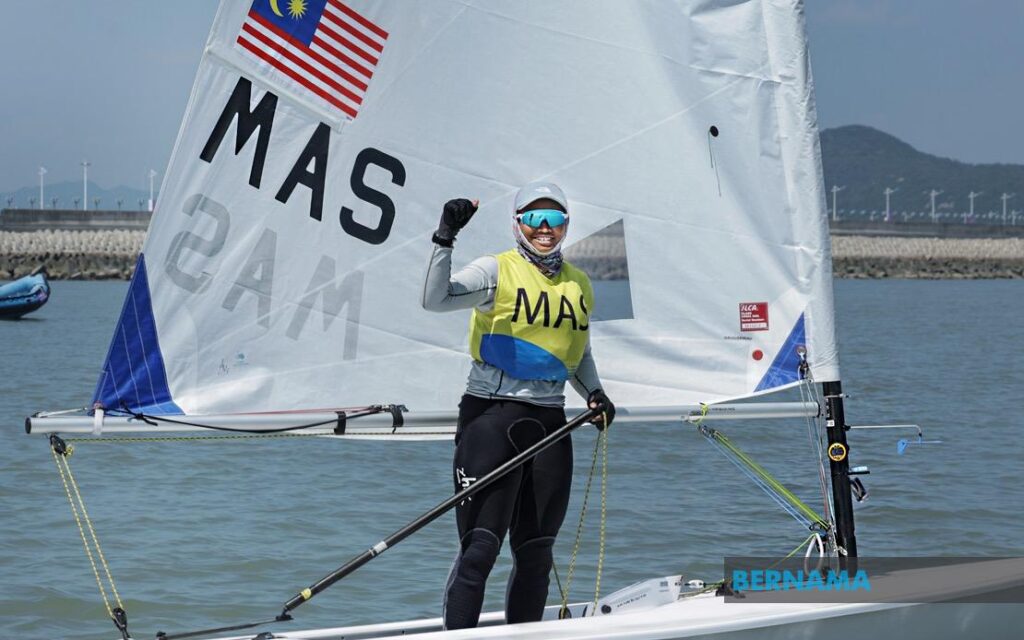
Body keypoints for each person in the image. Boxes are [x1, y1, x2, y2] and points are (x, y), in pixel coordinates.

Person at [422, 181, 615, 629]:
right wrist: (445, 236)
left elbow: (578, 353)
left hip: (551, 424)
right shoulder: (495, 269)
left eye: (554, 219)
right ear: (517, 223)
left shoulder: (579, 282)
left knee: (536, 553)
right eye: (533, 218)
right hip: (491, 419)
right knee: (480, 550)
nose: (544, 228)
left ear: (566, 225)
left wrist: (594, 392)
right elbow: (435, 300)